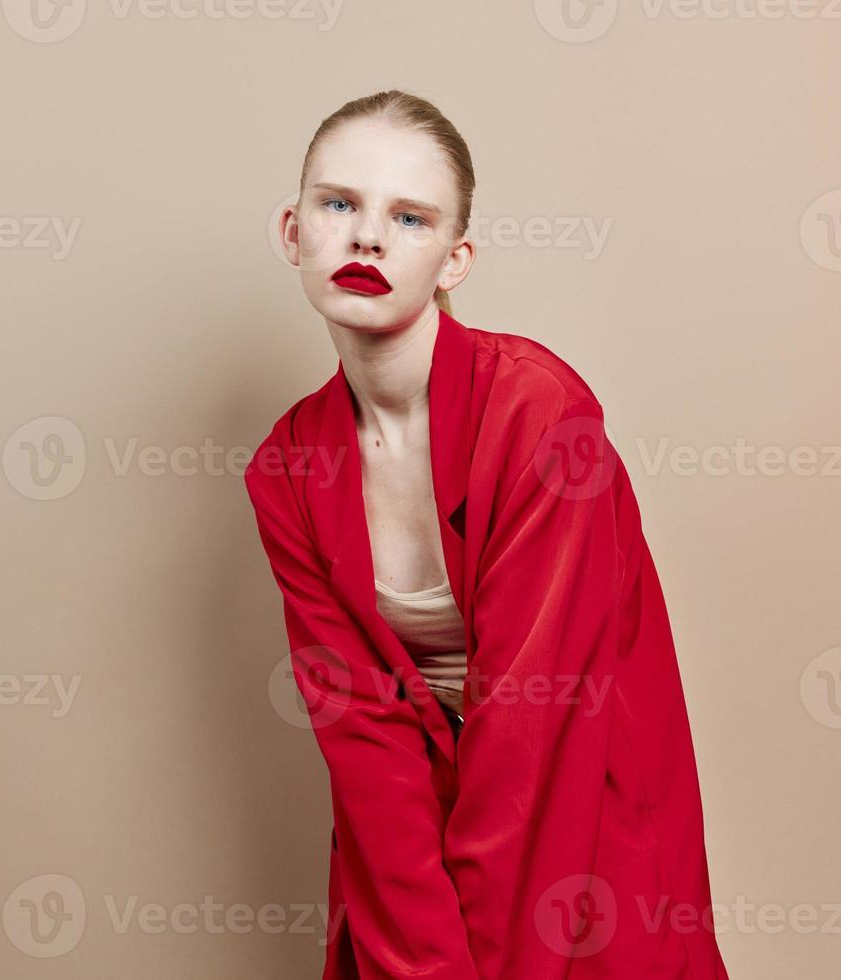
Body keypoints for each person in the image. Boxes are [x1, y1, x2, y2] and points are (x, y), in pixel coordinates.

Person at [245, 89, 730, 980]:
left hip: (582, 821)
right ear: (292, 230)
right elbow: (365, 745)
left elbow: (531, 733)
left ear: (455, 260)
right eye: (339, 203)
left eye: (410, 217)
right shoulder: (288, 465)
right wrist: (424, 963)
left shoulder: (543, 418)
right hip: (413, 861)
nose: (366, 239)